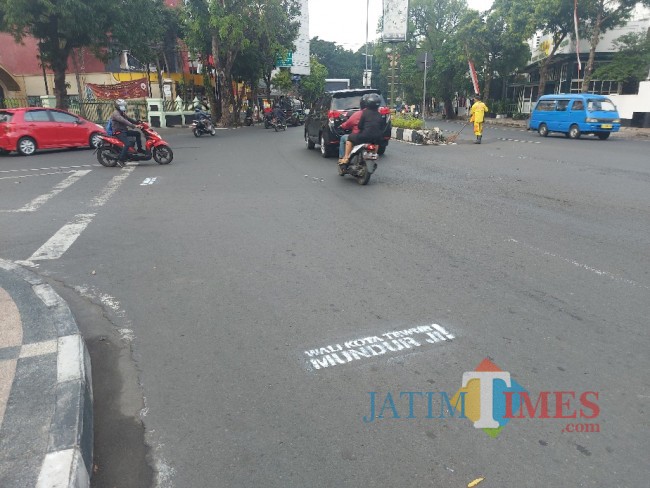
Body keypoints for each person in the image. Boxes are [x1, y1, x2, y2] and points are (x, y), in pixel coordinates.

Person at [339, 93, 385, 166]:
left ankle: (346, 158)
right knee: (376, 142)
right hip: (377, 139)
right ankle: (374, 154)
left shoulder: (362, 113)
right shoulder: (379, 114)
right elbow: (382, 126)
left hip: (363, 137)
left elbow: (359, 125)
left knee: (349, 138)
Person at [110, 99, 144, 166]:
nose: (124, 107)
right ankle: (120, 160)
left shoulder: (122, 113)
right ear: (117, 106)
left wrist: (138, 122)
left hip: (124, 131)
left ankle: (139, 149)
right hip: (119, 132)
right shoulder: (116, 114)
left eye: (124, 105)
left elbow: (129, 119)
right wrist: (134, 126)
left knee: (137, 134)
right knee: (127, 144)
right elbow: (124, 121)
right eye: (122, 105)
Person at [338, 96, 367, 162]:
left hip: (358, 137)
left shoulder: (357, 114)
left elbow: (347, 124)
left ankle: (343, 159)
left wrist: (341, 126)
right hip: (371, 138)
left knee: (343, 138)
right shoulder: (374, 114)